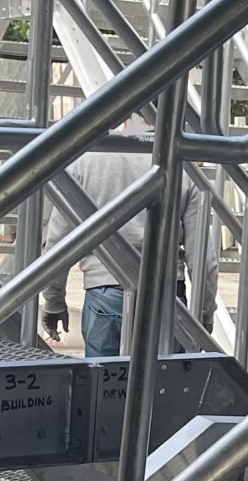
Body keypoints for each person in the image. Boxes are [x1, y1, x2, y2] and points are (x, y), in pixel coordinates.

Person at [39, 138, 213, 356]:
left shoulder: (84, 161)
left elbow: (59, 243)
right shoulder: (182, 165)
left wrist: (54, 301)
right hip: (168, 295)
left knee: (106, 376)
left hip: (105, 290)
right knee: (166, 376)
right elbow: (203, 257)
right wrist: (204, 312)